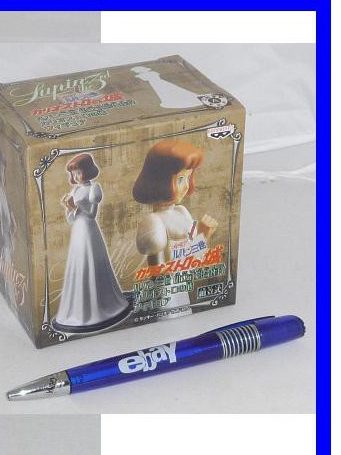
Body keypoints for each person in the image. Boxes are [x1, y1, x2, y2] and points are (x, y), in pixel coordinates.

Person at [132, 139, 218, 318]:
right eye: (180, 179)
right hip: (166, 294)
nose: (186, 186)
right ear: (160, 180)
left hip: (180, 289)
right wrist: (202, 236)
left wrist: (203, 236)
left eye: (188, 177)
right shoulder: (153, 221)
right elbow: (163, 272)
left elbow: (196, 258)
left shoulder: (182, 211)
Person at [51, 153, 132, 333]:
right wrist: (70, 209)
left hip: (89, 229)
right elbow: (72, 219)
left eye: (79, 172)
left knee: (92, 262)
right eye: (73, 174)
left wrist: (75, 208)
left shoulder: (94, 188)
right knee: (79, 263)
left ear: (87, 171)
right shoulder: (74, 191)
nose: (76, 176)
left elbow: (91, 214)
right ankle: (79, 308)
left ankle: (100, 306)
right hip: (78, 231)